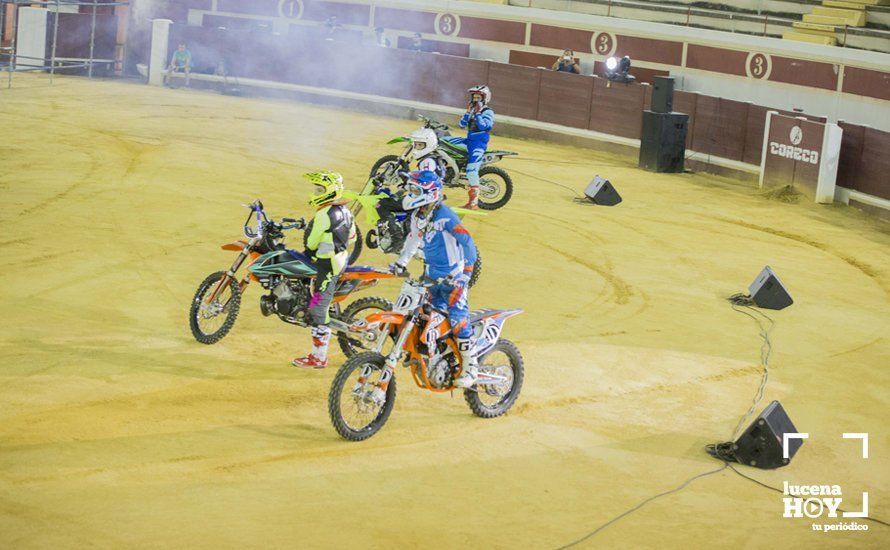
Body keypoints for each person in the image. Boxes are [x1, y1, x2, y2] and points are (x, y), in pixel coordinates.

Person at [390, 170, 479, 388]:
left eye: (414, 190)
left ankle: (471, 366)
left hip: (454, 277)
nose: (409, 193)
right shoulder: (418, 215)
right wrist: (401, 262)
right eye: (409, 189)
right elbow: (412, 240)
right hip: (430, 276)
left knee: (458, 319)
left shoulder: (446, 216)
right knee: (424, 315)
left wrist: (465, 274)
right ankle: (433, 355)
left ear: (429, 193)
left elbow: (467, 242)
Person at [292, 171, 356, 369]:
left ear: (330, 191)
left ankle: (319, 357)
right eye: (316, 188)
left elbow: (311, 241)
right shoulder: (346, 210)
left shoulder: (323, 214)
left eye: (320, 189)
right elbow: (353, 236)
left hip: (328, 265)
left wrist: (316, 247)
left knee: (317, 307)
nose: (316, 192)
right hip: (341, 259)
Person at [455, 84, 494, 209]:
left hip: (479, 143)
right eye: (474, 97)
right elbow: (461, 125)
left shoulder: (488, 112)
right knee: (445, 142)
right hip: (469, 140)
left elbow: (484, 126)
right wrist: (468, 112)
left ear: (484, 98)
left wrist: (477, 114)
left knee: (471, 170)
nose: (475, 99)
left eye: (478, 97)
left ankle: (473, 203)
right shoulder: (472, 110)